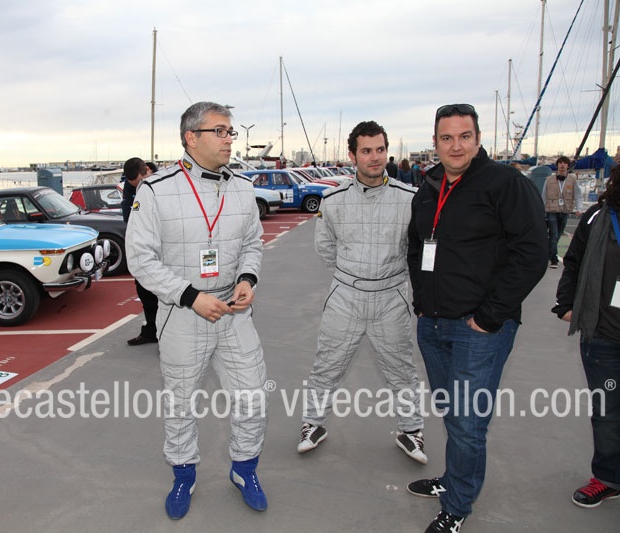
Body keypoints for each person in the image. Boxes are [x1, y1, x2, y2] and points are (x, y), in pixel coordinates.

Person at [406, 104, 547, 532]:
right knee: (452, 413)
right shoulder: (429, 187)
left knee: (468, 423)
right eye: (446, 138)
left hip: (479, 329)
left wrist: (489, 317)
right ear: (435, 142)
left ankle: (457, 505)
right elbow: (416, 246)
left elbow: (532, 254)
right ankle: (454, 480)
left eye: (464, 136)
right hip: (433, 323)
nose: (455, 146)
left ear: (478, 139)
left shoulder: (505, 183)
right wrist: (421, 301)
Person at [126, 101, 268, 519]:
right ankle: (183, 475)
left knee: (252, 396)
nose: (229, 139)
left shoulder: (242, 188)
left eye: (230, 132)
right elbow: (141, 259)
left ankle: (244, 469)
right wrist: (189, 296)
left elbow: (252, 243)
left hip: (233, 311)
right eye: (219, 131)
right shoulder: (155, 190)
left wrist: (247, 279)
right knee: (181, 403)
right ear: (191, 137)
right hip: (183, 313)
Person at [297, 121, 427, 466]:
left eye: (380, 149)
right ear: (353, 155)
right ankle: (313, 424)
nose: (374, 157)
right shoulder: (334, 200)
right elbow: (326, 248)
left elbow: (416, 250)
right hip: (346, 295)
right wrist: (353, 274)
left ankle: (411, 430)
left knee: (402, 368)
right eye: (366, 151)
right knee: (327, 363)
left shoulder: (409, 199)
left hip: (391, 297)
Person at [552, 164, 620, 509]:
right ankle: (608, 478)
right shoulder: (597, 217)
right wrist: (566, 303)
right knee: (607, 411)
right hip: (604, 334)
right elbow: (574, 262)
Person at [121, 156, 158, 345]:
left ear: (147, 172)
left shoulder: (162, 182)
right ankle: (151, 331)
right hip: (142, 247)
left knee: (167, 294)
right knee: (145, 291)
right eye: (132, 184)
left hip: (162, 247)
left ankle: (169, 334)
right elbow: (128, 215)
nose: (136, 187)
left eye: (138, 182)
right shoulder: (130, 186)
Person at [544, 155, 583, 268]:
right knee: (554, 234)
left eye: (564, 163)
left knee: (558, 234)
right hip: (552, 210)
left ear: (567, 166)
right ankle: (554, 259)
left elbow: (578, 195)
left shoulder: (572, 180)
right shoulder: (549, 180)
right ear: (557, 165)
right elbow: (543, 196)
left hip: (565, 211)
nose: (562, 165)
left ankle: (549, 252)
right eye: (560, 163)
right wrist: (542, 210)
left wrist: (579, 208)